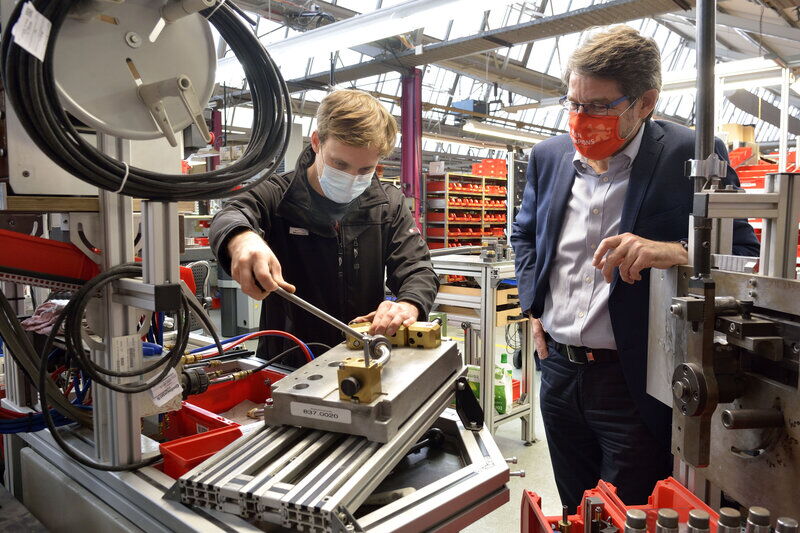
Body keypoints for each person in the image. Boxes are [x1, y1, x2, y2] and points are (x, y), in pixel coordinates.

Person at [511, 26, 759, 511]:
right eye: (574, 102)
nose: (581, 119)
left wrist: (673, 251)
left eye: (600, 107)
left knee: (627, 515)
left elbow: (743, 253)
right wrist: (533, 304)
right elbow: (525, 237)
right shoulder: (548, 157)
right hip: (558, 373)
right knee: (573, 510)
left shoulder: (690, 154)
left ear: (645, 103)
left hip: (633, 382)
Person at [209, 89, 439, 365]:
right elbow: (231, 214)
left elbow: (417, 267)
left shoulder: (387, 204)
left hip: (364, 355)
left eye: (365, 170)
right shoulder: (277, 195)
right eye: (339, 164)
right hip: (287, 361)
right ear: (317, 142)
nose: (351, 178)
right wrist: (243, 240)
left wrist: (409, 304)